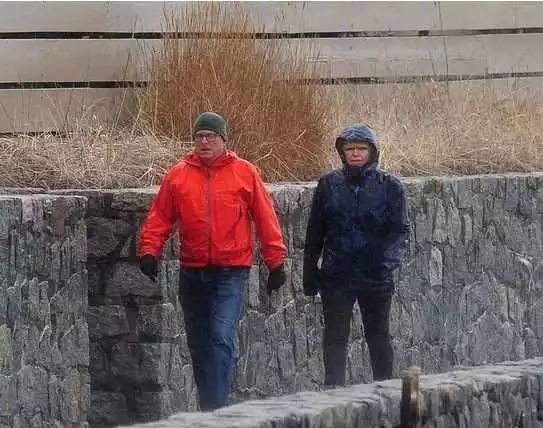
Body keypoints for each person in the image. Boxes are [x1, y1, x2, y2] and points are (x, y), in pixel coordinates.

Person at [138, 111, 288, 411]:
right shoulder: (178, 175)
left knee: (221, 337)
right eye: (199, 137)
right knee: (199, 343)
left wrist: (276, 262)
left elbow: (265, 217)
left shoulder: (245, 173)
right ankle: (209, 407)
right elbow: (160, 217)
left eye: (210, 137)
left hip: (231, 271)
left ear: (223, 140)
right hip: (192, 271)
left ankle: (217, 410)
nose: (204, 142)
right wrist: (150, 251)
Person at [303, 124, 409, 387]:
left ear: (373, 152)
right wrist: (310, 272)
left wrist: (386, 264)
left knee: (378, 336)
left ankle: (384, 389)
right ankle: (333, 390)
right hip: (337, 274)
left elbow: (400, 232)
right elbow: (315, 231)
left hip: (375, 275)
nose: (355, 154)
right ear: (342, 153)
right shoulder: (329, 185)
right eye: (350, 149)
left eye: (361, 148)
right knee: (335, 336)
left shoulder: (391, 187)